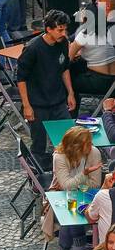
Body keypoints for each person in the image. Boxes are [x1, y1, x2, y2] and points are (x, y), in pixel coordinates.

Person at [40, 126, 103, 250]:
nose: (91, 146)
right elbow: (65, 186)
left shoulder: (94, 152)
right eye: (87, 144)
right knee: (70, 216)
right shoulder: (60, 156)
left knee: (72, 216)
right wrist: (84, 174)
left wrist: (77, 184)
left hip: (88, 195)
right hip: (60, 196)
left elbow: (95, 184)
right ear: (76, 147)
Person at [16, 10, 74, 162]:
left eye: (65, 29)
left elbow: (64, 68)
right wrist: (26, 106)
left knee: (69, 140)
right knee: (39, 146)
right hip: (38, 104)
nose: (64, 33)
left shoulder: (63, 43)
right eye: (60, 29)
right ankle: (37, 174)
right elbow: (21, 78)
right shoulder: (33, 49)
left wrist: (70, 92)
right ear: (49, 29)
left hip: (58, 101)